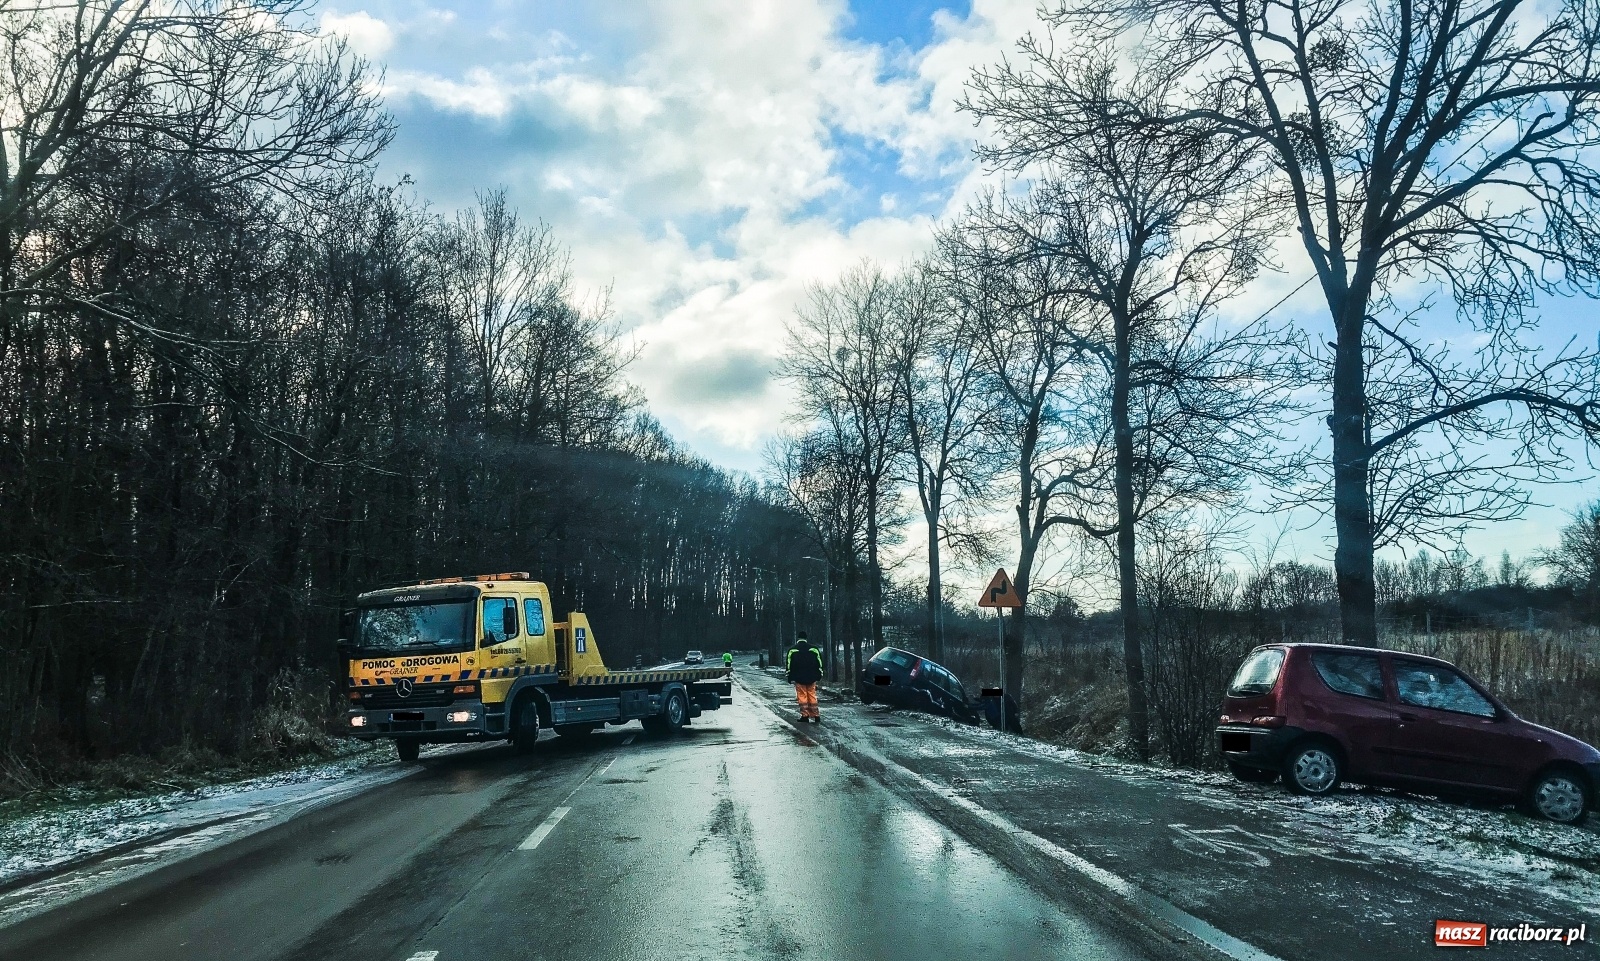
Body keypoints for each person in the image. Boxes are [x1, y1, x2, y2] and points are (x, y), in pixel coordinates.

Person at [785, 632, 824, 723]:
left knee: (802, 696)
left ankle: (805, 716)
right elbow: (820, 663)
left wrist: (789, 675)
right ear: (806, 638)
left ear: (798, 639)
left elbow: (789, 664)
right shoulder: (814, 649)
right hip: (811, 676)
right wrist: (819, 674)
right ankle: (816, 715)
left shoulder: (792, 650)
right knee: (812, 694)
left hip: (799, 677)